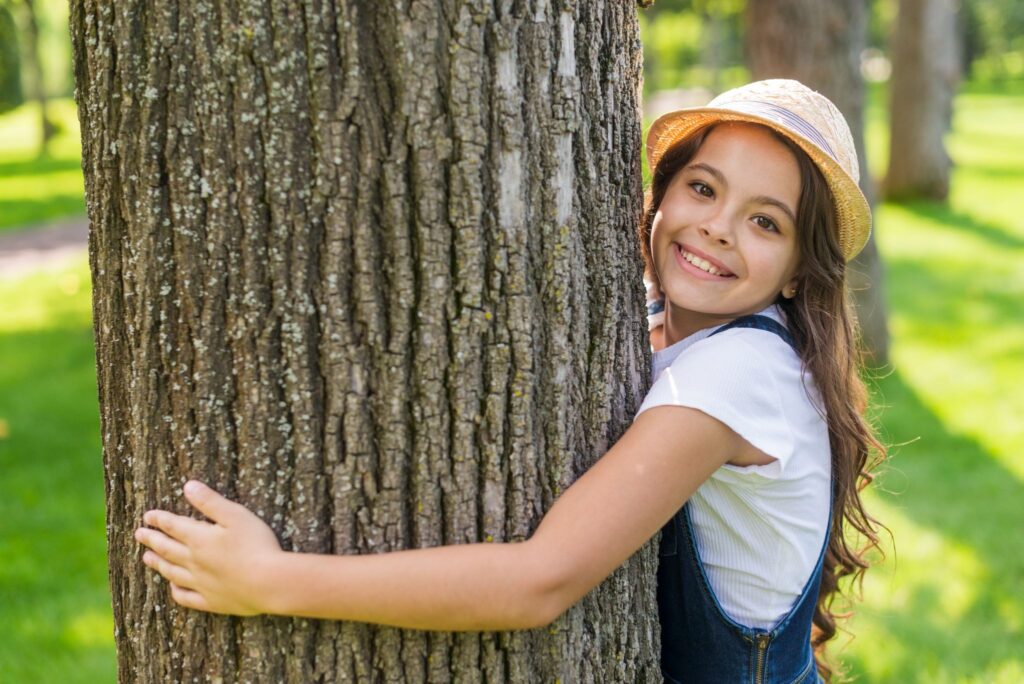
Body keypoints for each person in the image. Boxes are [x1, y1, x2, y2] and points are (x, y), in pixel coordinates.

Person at [135, 79, 886, 683]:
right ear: (659, 196)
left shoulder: (738, 373)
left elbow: (538, 583)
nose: (720, 227)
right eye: (702, 188)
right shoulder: (681, 321)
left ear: (797, 274)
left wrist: (271, 581)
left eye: (766, 223)